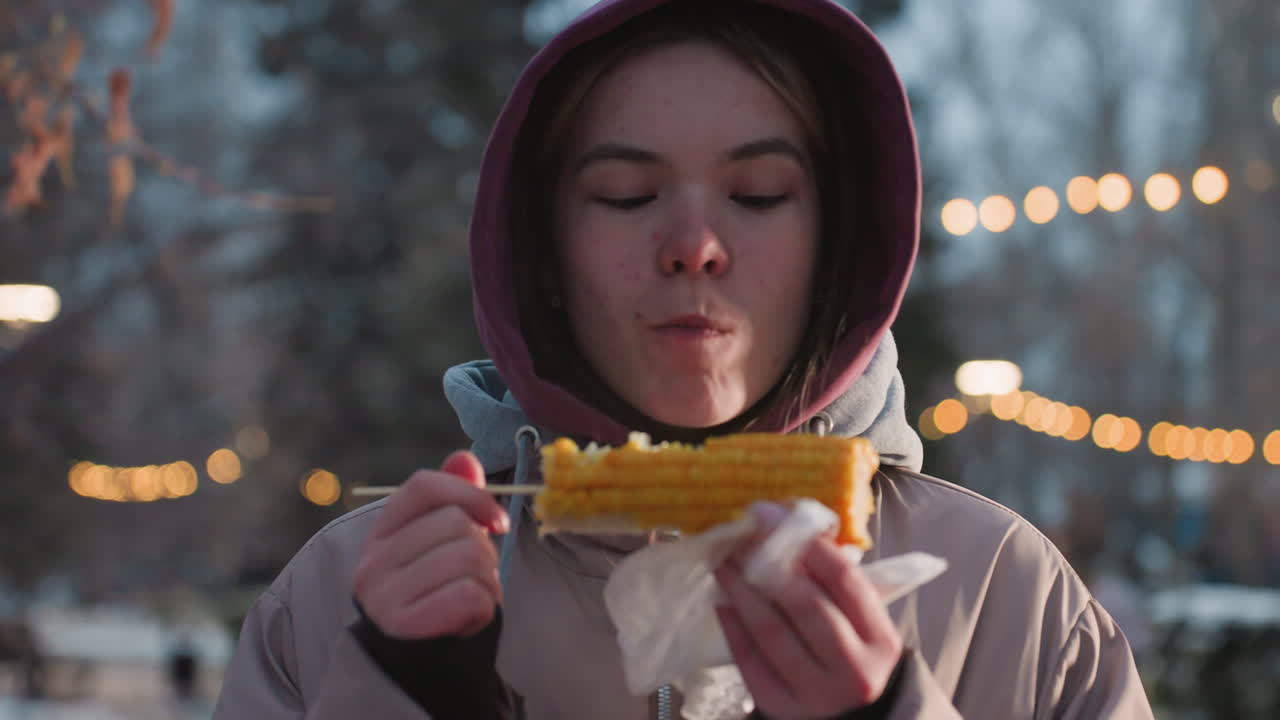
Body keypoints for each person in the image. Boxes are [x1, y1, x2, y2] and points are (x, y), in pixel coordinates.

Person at [213, 1, 1155, 718]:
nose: (694, 244)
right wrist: (404, 691)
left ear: (839, 250)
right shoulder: (344, 600)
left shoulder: (1007, 593)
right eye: (625, 194)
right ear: (541, 255)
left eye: (758, 192)